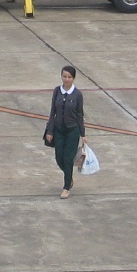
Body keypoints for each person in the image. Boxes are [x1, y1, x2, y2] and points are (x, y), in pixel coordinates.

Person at [43, 65, 86, 199]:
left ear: (73, 78)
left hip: (72, 130)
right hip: (58, 129)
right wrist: (50, 130)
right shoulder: (57, 91)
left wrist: (83, 134)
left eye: (69, 77)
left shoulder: (77, 94)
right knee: (59, 157)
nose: (66, 79)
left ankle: (66, 187)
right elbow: (53, 112)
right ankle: (69, 176)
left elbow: (80, 115)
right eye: (64, 76)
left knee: (68, 158)